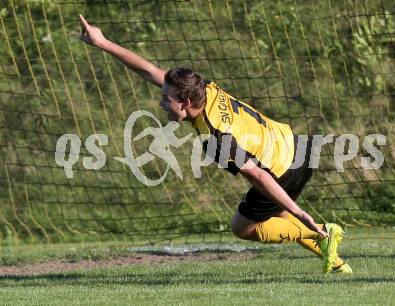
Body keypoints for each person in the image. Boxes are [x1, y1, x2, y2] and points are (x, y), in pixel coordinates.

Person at [79, 15, 352, 274]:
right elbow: (149, 70)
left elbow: (257, 176)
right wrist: (102, 42)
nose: (161, 103)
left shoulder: (216, 139)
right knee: (273, 209)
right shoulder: (205, 89)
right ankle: (338, 263)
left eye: (166, 99)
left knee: (243, 227)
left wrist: (302, 215)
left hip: (281, 172)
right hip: (298, 149)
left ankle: (320, 230)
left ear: (185, 103)